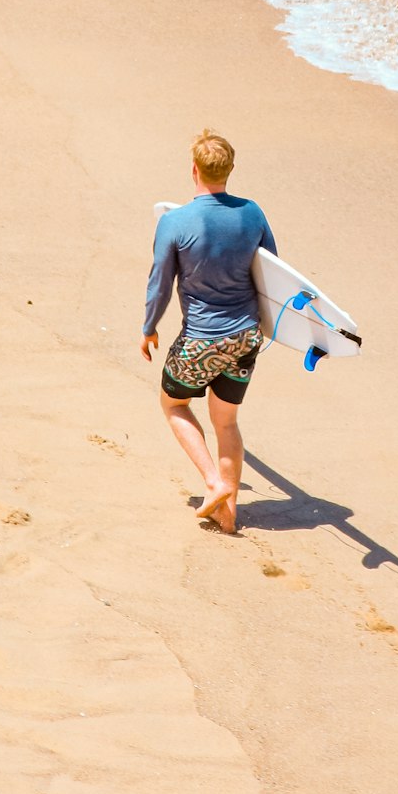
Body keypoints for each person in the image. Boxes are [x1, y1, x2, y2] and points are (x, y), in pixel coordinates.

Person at [141, 129, 277, 534]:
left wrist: (149, 328)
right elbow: (271, 274)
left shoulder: (175, 221)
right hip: (246, 337)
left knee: (174, 404)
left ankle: (215, 483)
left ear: (194, 170)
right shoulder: (253, 213)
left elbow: (160, 283)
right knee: (227, 423)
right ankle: (228, 515)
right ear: (230, 170)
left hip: (203, 338)